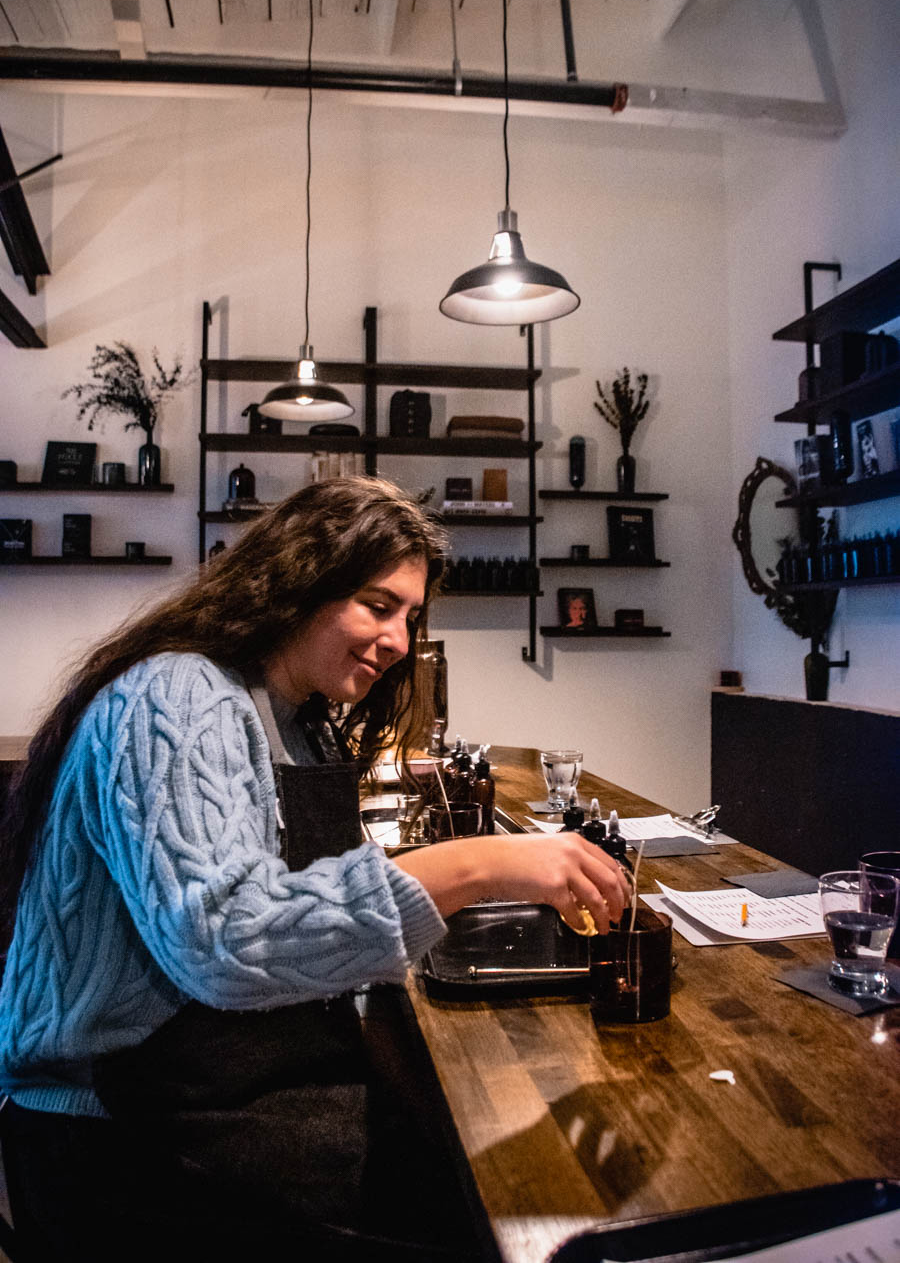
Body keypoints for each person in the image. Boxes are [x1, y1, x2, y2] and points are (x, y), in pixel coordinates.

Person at [0, 476, 628, 1261]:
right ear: (299, 580)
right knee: (490, 1219)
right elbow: (226, 940)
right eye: (378, 604)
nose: (400, 639)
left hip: (222, 1088)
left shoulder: (294, 717)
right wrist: (478, 865)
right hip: (114, 1136)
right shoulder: (178, 693)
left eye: (410, 615)